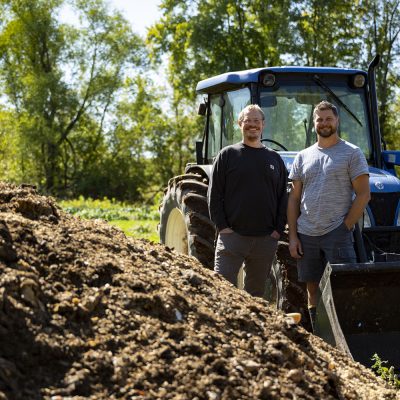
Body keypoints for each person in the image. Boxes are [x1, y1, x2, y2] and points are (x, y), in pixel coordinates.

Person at [287, 100, 370, 331]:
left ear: (337, 121)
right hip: (306, 234)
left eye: (328, 119)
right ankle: (319, 335)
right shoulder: (302, 156)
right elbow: (294, 199)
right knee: (312, 289)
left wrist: (345, 227)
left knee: (342, 287)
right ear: (314, 123)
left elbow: (363, 195)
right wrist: (293, 236)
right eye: (320, 119)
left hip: (337, 232)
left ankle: (347, 337)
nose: (324, 123)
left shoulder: (351, 153)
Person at [207, 104, 288, 297]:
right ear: (239, 124)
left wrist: (277, 230)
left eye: (256, 121)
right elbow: (214, 194)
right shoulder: (227, 155)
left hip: (265, 240)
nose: (252, 125)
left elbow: (282, 198)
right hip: (232, 238)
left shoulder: (274, 158)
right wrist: (223, 228)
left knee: (255, 296)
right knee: (222, 291)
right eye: (248, 121)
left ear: (263, 125)